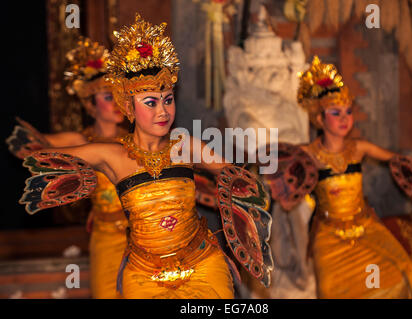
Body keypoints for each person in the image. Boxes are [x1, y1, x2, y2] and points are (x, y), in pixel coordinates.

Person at [19, 14, 258, 299]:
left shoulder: (186, 144)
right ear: (128, 106)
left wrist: (245, 202)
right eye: (151, 102)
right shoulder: (111, 154)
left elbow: (236, 177)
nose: (162, 111)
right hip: (143, 276)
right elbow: (41, 158)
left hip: (202, 265)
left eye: (168, 100)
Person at [7, 37, 127, 299]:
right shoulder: (80, 141)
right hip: (105, 236)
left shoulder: (134, 139)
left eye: (120, 95)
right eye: (108, 97)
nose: (117, 103)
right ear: (90, 105)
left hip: (140, 234)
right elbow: (34, 147)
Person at [296, 56, 412, 298]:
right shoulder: (308, 153)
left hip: (365, 229)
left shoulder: (360, 148)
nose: (344, 118)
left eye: (348, 111)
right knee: (331, 291)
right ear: (319, 119)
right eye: (336, 112)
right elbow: (276, 157)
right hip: (329, 237)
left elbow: (399, 161)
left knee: (400, 275)